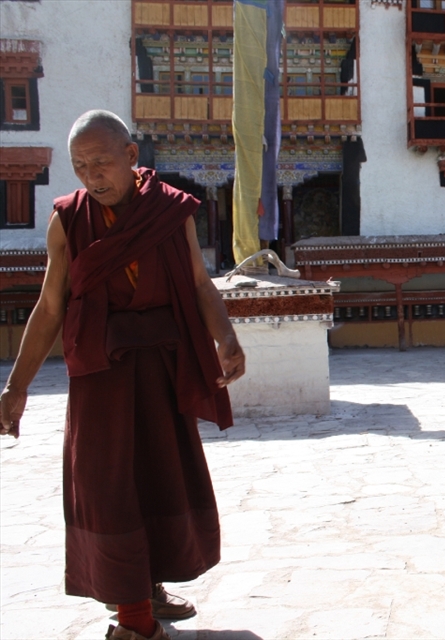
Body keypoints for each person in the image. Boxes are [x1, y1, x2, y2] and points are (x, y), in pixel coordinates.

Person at [0, 110, 245, 640]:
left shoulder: (170, 211)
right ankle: (134, 620)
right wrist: (16, 386)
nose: (92, 176)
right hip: (99, 374)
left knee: (159, 475)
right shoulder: (68, 220)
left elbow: (201, 284)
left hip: (160, 368)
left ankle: (148, 590)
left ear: (131, 157)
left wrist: (226, 336)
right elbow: (48, 307)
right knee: (106, 485)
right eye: (81, 166)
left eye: (102, 163)